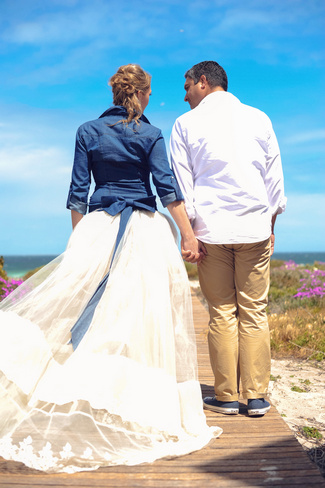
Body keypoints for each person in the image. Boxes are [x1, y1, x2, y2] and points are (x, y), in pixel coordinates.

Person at [0, 64, 221, 473]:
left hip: (98, 225)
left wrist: (79, 243)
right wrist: (188, 236)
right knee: (143, 317)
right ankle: (131, 404)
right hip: (145, 229)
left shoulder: (87, 130)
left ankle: (94, 395)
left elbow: (77, 193)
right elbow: (167, 189)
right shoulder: (153, 134)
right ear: (143, 93)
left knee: (93, 309)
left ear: (117, 92)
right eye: (151, 92)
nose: (153, 98)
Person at [170, 61, 286, 417]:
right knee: (254, 311)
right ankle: (255, 398)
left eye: (187, 85)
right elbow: (273, 176)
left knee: (221, 312)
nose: (185, 93)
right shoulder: (259, 118)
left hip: (211, 232)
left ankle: (224, 397)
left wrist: (188, 234)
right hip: (254, 227)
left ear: (203, 82)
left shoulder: (185, 124)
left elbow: (181, 183)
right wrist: (271, 223)